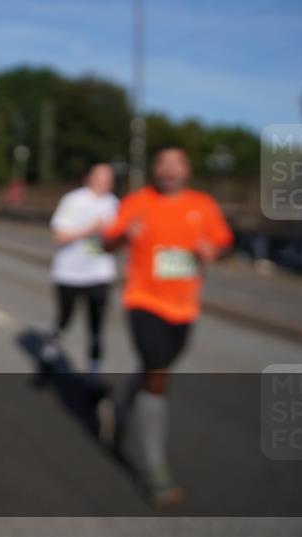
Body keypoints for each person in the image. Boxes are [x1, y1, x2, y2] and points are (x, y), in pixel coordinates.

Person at [102, 147, 232, 507]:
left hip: (184, 307)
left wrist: (213, 252)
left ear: (187, 171)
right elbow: (107, 243)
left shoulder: (202, 205)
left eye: (178, 163)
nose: (170, 169)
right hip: (144, 300)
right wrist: (125, 234)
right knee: (158, 373)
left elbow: (223, 243)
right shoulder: (136, 201)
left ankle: (121, 403)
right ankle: (155, 469)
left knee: (154, 369)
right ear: (155, 170)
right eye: (164, 163)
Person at [42, 163, 119, 375]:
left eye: (108, 177)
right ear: (89, 178)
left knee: (97, 325)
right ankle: (51, 350)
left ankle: (94, 371)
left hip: (100, 273)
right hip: (69, 273)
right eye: (99, 176)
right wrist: (89, 230)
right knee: (65, 318)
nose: (104, 181)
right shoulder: (73, 200)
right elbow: (59, 237)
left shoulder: (114, 204)